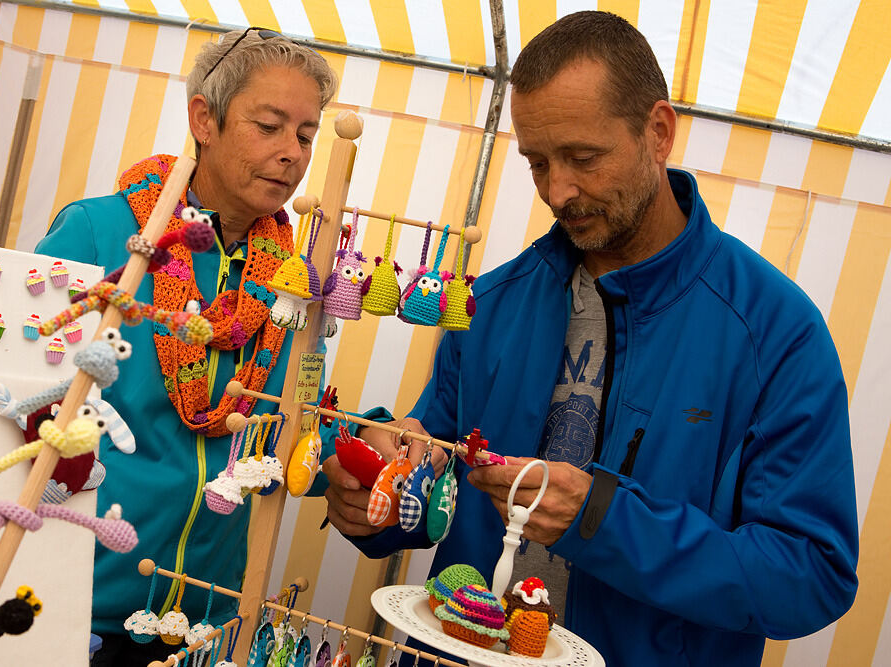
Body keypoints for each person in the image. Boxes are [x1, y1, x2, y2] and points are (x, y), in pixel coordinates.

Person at [322, 11, 858, 667]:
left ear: (658, 132)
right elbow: (432, 470)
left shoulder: (776, 332)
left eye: (583, 158)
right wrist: (376, 491)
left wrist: (603, 518)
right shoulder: (487, 304)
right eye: (537, 162)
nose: (557, 189)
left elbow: (811, 574)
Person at [36, 29, 358, 666]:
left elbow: (292, 424)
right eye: (268, 126)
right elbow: (19, 406)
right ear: (203, 119)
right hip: (74, 607)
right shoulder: (100, 233)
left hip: (205, 624)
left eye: (305, 134)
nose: (292, 154)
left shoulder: (294, 282)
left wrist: (361, 449)